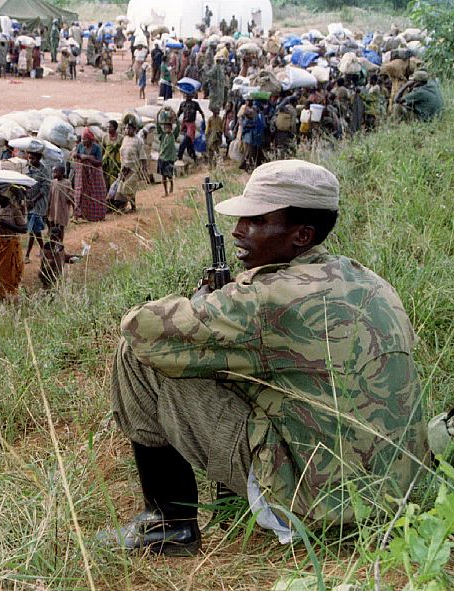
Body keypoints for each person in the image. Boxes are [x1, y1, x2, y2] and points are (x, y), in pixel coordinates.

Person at [101, 160, 427, 556]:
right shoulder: (368, 280)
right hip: (393, 493)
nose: (238, 230)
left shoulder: (264, 299)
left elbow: (140, 330)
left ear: (301, 235)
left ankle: (168, 524)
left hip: (314, 508)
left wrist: (208, 299)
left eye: (255, 221)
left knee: (136, 360)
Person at [0, 183, 27, 299]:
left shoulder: (14, 210)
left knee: (10, 272)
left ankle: (11, 294)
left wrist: (7, 224)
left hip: (10, 244)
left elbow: (24, 229)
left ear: (5, 196)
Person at [23, 148, 51, 263]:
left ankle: (27, 255)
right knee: (35, 230)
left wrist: (34, 200)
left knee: (33, 229)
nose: (31, 160)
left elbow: (45, 188)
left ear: (38, 158)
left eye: (33, 158)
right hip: (29, 203)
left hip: (38, 203)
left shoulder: (43, 171)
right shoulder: (27, 169)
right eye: (29, 158)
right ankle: (43, 251)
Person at [73, 129, 107, 222]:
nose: (83, 141)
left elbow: (99, 162)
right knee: (80, 192)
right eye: (83, 139)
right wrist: (77, 155)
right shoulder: (80, 146)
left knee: (97, 192)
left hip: (94, 174)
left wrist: (88, 158)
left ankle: (97, 215)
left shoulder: (97, 148)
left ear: (91, 140)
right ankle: (80, 215)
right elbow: (76, 155)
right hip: (82, 174)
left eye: (85, 139)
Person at [115, 118, 147, 213]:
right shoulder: (125, 139)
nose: (128, 130)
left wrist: (144, 169)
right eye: (126, 128)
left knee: (127, 187)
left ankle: (122, 208)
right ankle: (133, 207)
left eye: (130, 129)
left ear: (135, 129)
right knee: (124, 187)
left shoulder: (138, 141)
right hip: (124, 168)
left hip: (134, 168)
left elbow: (142, 156)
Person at [46, 165, 74, 237]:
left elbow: (71, 194)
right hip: (53, 208)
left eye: (56, 172)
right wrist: (48, 206)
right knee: (52, 225)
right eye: (53, 172)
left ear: (62, 173)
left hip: (62, 208)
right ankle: (53, 241)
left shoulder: (67, 183)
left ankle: (60, 243)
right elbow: (50, 195)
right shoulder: (53, 182)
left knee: (61, 226)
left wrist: (68, 196)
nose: (53, 174)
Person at [155, 120, 178, 196]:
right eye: (166, 128)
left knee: (169, 175)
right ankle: (166, 192)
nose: (167, 129)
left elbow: (178, 128)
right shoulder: (162, 136)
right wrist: (158, 117)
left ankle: (171, 184)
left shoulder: (173, 135)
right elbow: (158, 128)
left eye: (169, 127)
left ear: (171, 128)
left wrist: (176, 119)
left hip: (170, 158)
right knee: (163, 176)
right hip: (162, 158)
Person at [102, 120, 122, 191]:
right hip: (107, 163)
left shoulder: (121, 138)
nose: (108, 128)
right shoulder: (105, 137)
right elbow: (103, 149)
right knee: (106, 179)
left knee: (116, 179)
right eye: (107, 127)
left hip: (117, 163)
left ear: (115, 128)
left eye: (110, 127)